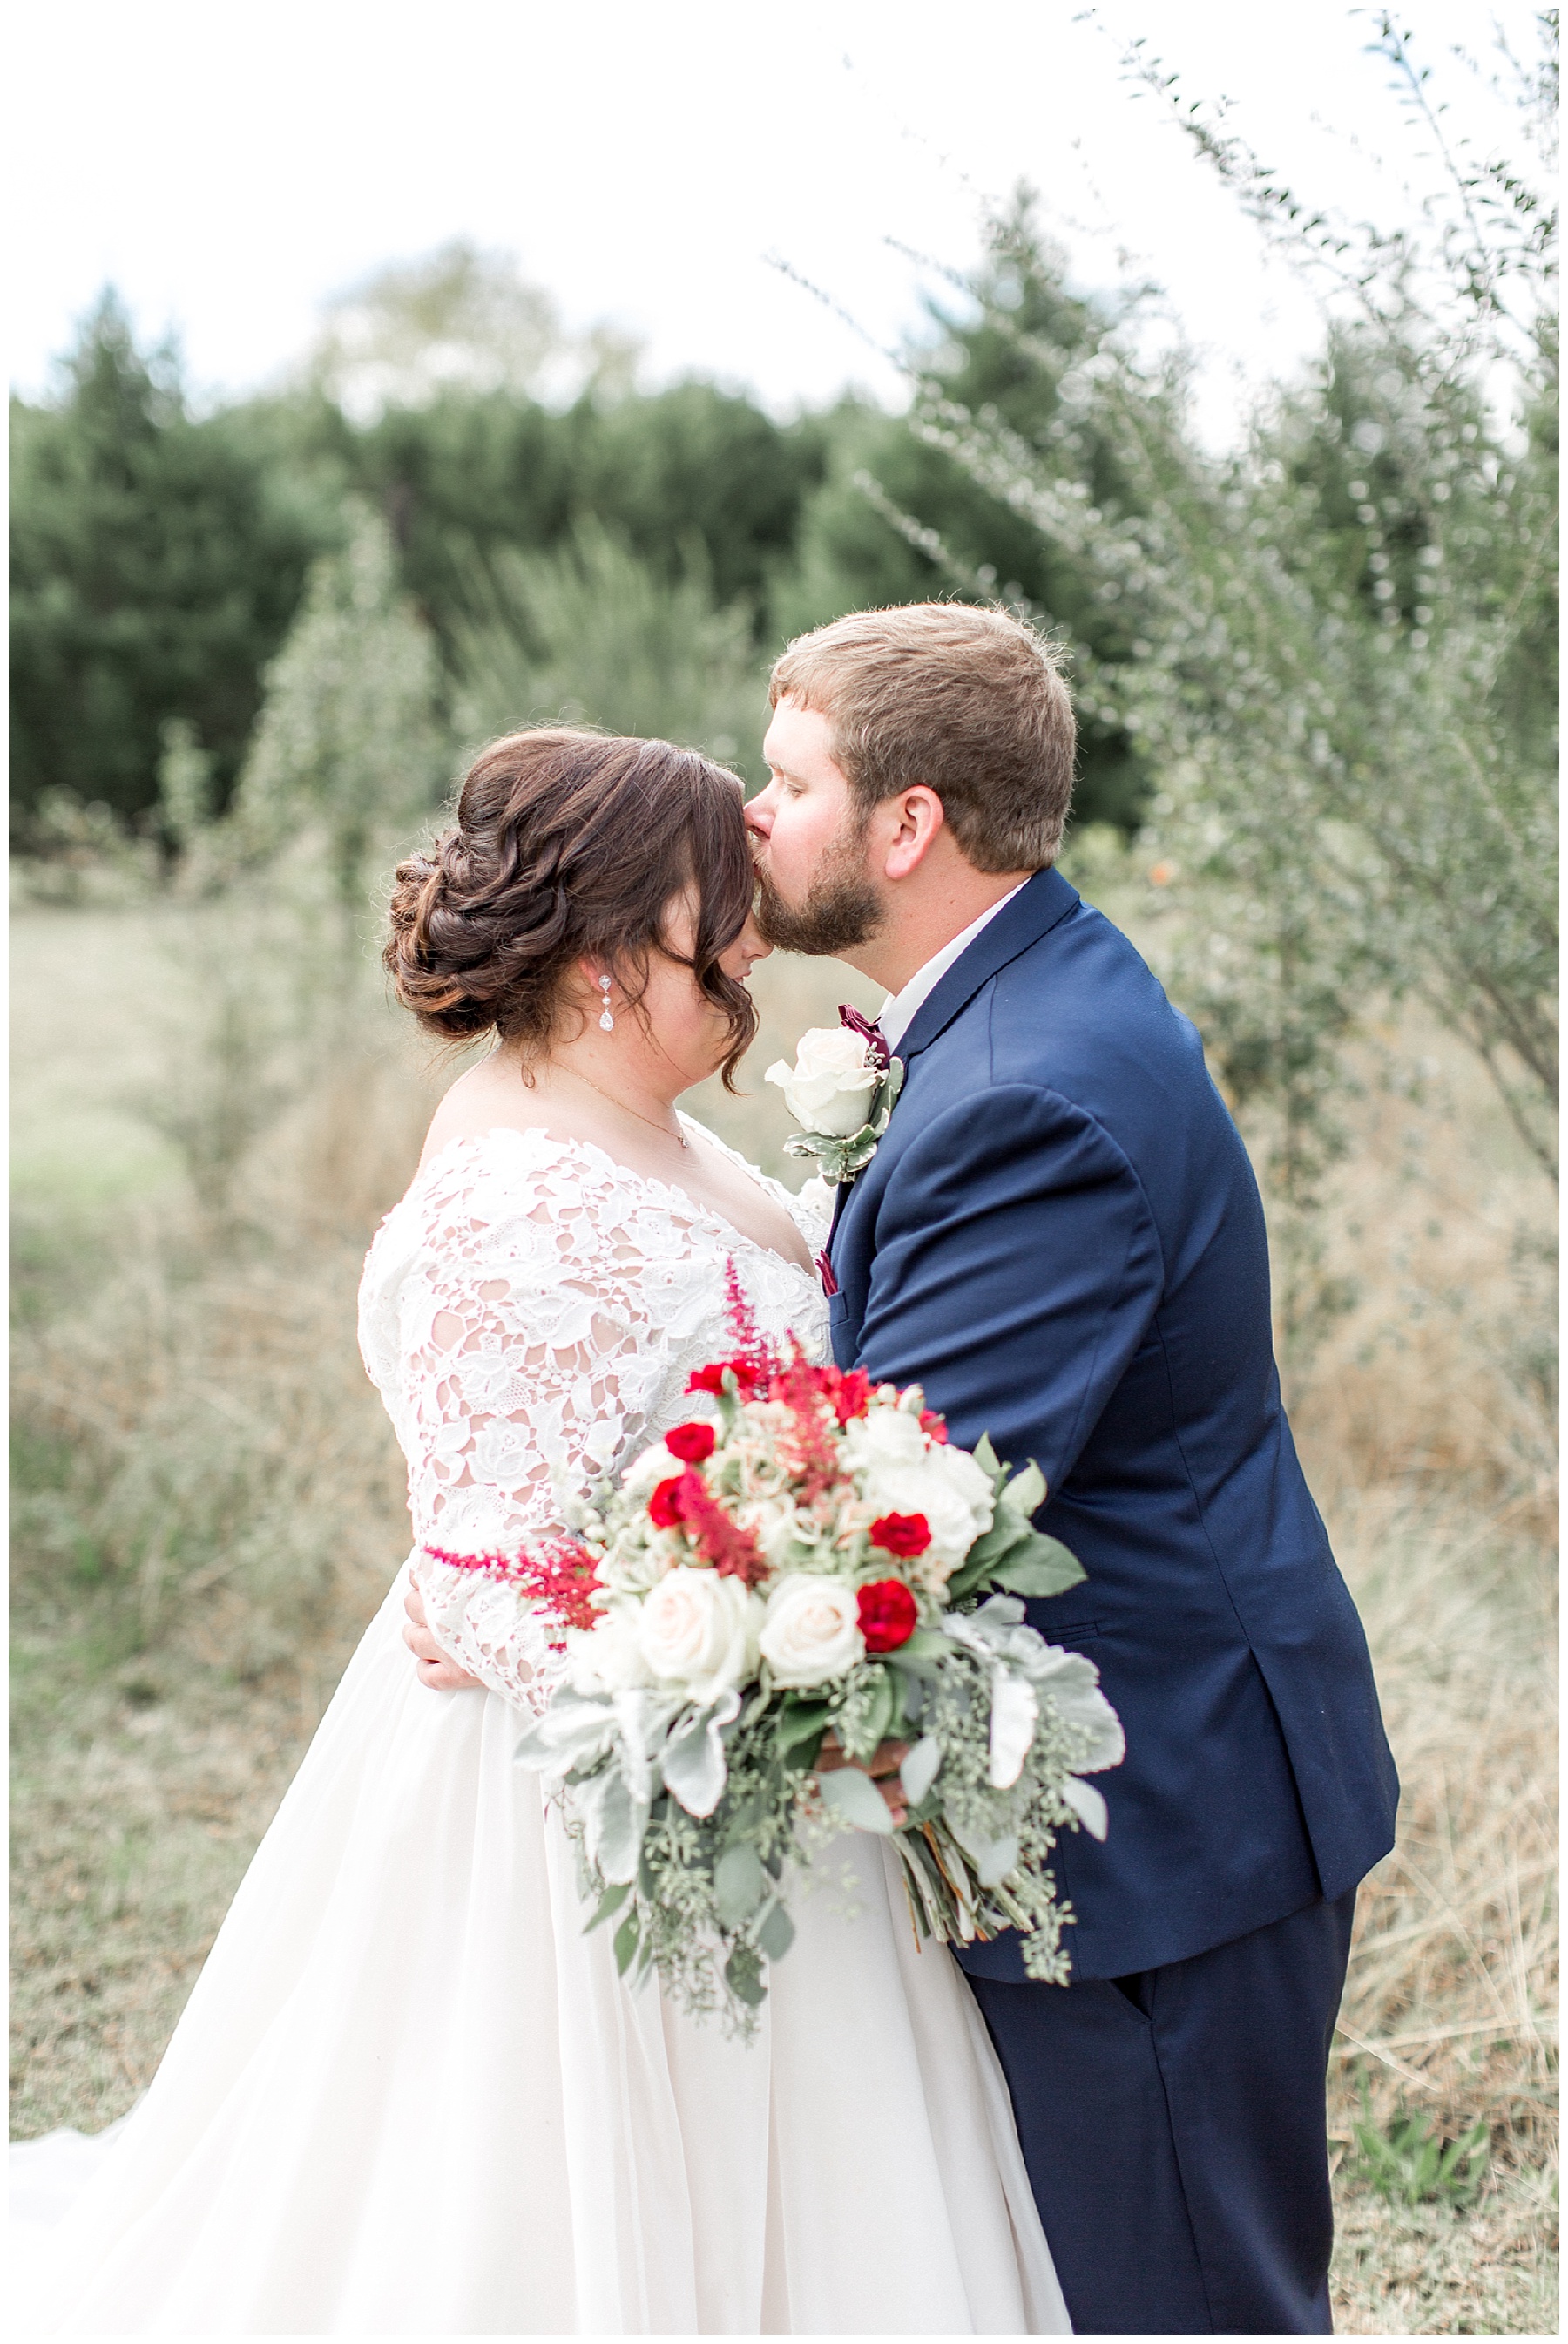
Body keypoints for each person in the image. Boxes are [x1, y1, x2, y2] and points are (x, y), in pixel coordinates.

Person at [10, 730, 1067, 2336]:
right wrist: (739, 1683)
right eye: (715, 922)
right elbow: (488, 1550)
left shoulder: (647, 1120)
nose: (750, 949)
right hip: (586, 1787)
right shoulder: (507, 1200)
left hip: (749, 1744)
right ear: (602, 957)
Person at [744, 602, 1400, 2337]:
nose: (755, 813)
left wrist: (561, 1610)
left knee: (1180, 2304)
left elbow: (895, 1510)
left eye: (789, 781)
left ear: (908, 824)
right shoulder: (1022, 1000)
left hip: (1158, 1824)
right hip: (1160, 1774)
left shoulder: (1022, 1097)